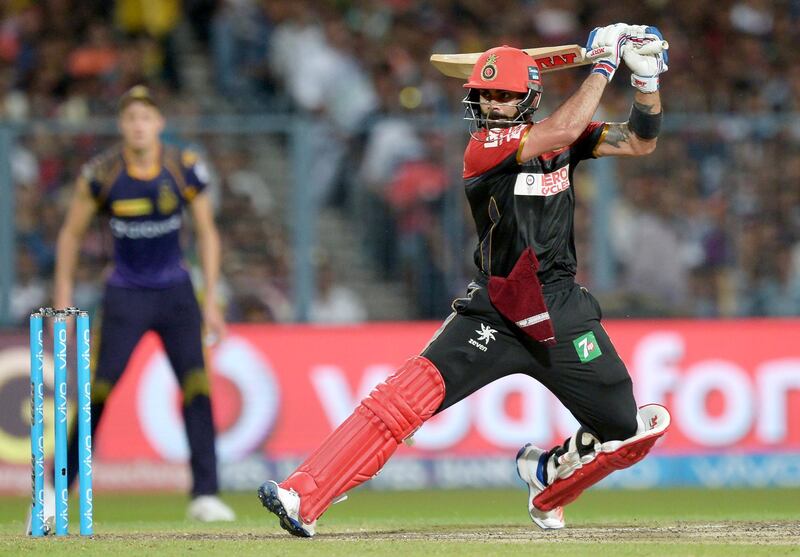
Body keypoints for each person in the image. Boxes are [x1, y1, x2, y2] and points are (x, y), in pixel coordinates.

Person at [257, 24, 671, 537]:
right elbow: (560, 132)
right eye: (486, 95)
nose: (494, 104)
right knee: (403, 399)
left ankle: (549, 470)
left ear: (528, 97)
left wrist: (646, 82)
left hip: (561, 309)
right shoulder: (485, 146)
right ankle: (304, 494)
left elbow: (638, 142)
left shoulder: (565, 137)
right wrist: (604, 66)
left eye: (505, 95)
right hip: (498, 311)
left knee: (625, 432)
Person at [52, 85, 235, 522]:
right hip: (125, 294)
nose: (138, 125)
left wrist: (210, 299)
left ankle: (205, 495)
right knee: (97, 391)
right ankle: (59, 493)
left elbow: (208, 232)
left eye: (146, 118)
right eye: (131, 118)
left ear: (159, 125)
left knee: (198, 387)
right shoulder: (102, 173)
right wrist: (62, 298)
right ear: (122, 125)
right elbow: (70, 234)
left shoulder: (182, 166)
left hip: (176, 294)